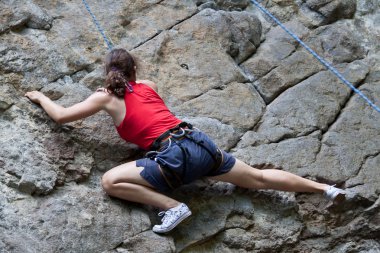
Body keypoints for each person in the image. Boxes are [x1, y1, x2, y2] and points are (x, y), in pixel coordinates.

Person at [25, 48, 346, 234]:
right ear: (135, 70)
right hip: (199, 142)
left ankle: (174, 207)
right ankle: (326, 189)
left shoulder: (105, 97)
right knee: (258, 179)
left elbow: (62, 116)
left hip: (173, 156)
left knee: (110, 181)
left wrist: (41, 97)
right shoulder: (147, 85)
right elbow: (147, 112)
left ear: (107, 73)